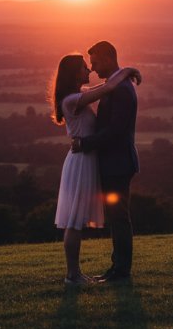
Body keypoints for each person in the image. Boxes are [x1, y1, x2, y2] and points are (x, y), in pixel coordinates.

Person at [51, 53, 141, 285]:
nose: (89, 69)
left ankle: (80, 273)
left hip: (87, 159)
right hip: (80, 161)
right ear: (74, 73)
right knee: (74, 220)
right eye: (84, 67)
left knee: (80, 220)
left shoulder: (79, 96)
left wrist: (124, 72)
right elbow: (108, 87)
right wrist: (129, 70)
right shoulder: (72, 100)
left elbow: (105, 86)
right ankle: (72, 275)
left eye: (91, 64)